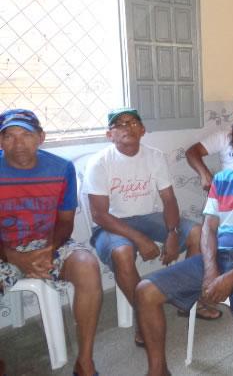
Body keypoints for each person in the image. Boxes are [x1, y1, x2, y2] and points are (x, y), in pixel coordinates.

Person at [135, 118, 233, 376]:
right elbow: (209, 228)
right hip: (220, 256)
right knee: (145, 291)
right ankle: (158, 370)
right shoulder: (222, 180)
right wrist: (212, 271)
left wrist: (229, 279)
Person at [82, 107, 211, 347]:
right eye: (119, 124)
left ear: (143, 130)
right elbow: (99, 215)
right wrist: (140, 239)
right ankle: (143, 316)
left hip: (148, 217)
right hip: (111, 224)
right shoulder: (99, 163)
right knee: (123, 253)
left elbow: (169, 199)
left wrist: (172, 233)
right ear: (109, 134)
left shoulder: (154, 156)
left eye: (132, 122)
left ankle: (187, 297)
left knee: (197, 232)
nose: (126, 127)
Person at [0, 109, 102, 376]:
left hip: (48, 243)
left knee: (87, 266)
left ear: (41, 138)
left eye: (26, 135)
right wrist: (14, 256)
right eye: (9, 136)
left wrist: (49, 250)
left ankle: (85, 361)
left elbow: (65, 221)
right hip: (4, 248)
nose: (18, 144)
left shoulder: (61, 168)